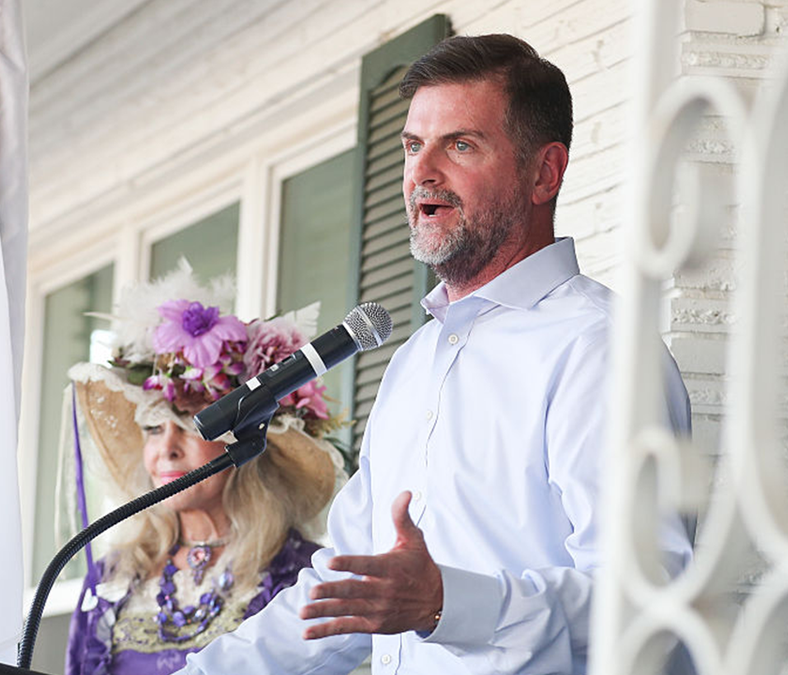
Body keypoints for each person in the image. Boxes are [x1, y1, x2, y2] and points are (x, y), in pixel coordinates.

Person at [177, 34, 692, 674]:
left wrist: (450, 602)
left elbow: (645, 603)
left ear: (544, 173)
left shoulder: (599, 348)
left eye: (461, 145)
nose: (422, 171)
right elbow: (345, 595)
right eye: (414, 145)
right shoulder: (414, 362)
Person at [63, 263, 347, 675]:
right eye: (153, 428)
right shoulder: (113, 578)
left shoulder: (302, 572)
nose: (167, 450)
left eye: (189, 426)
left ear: (248, 439)